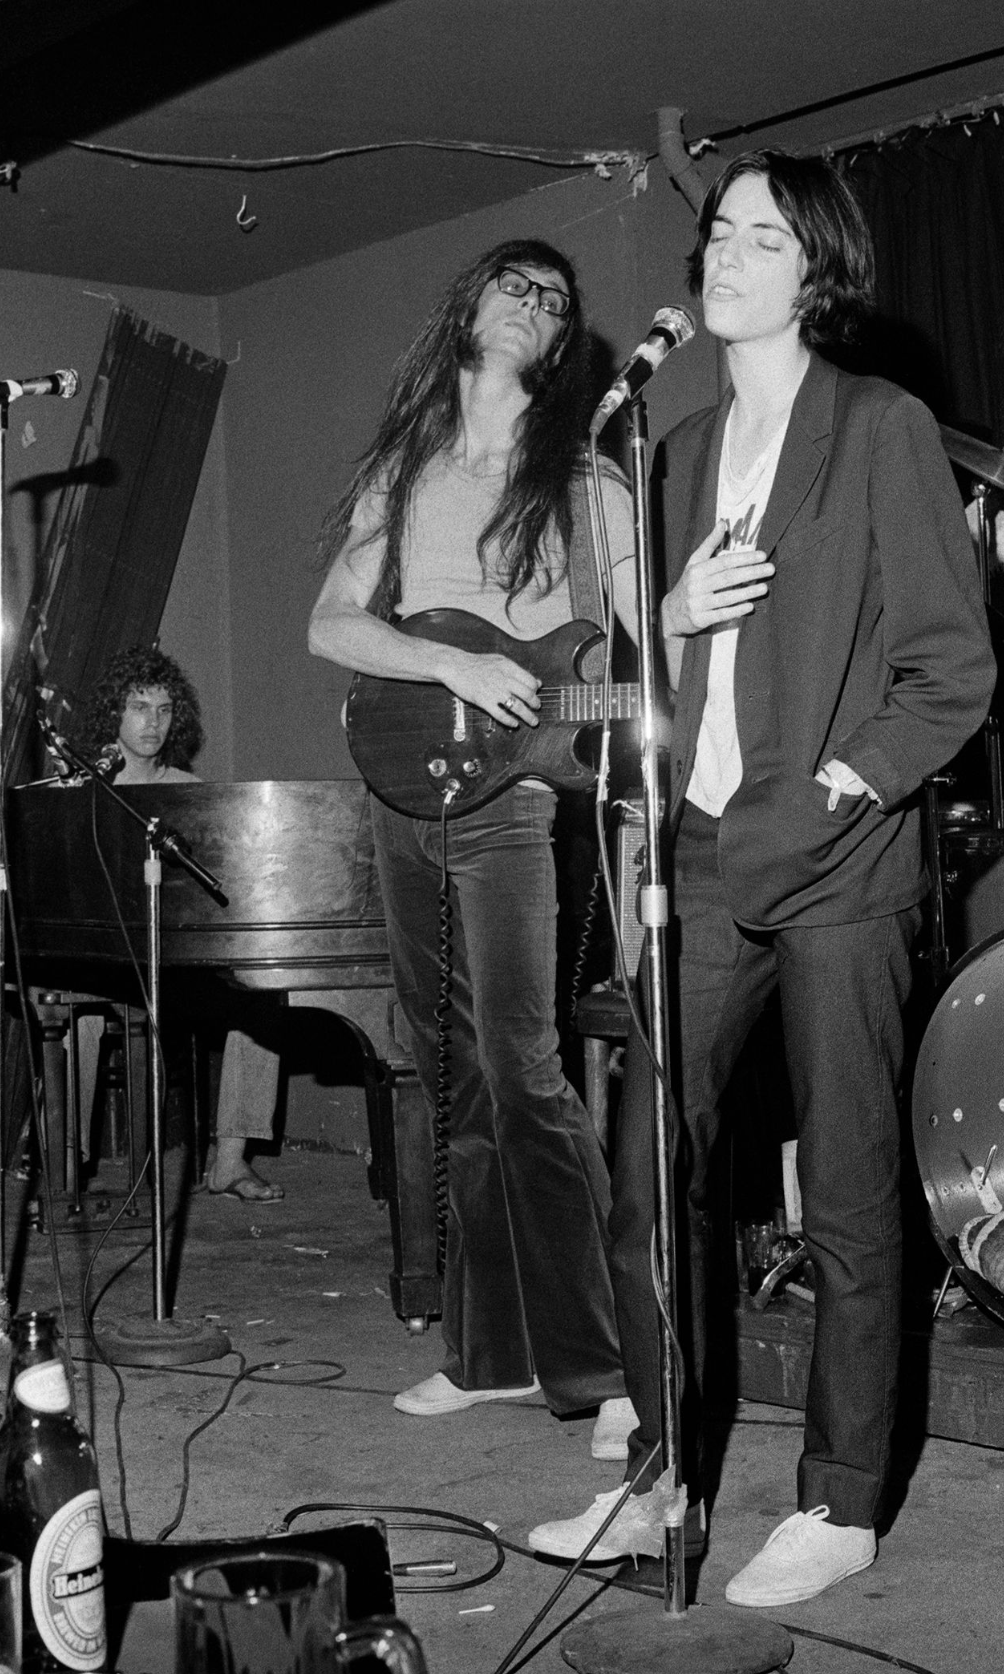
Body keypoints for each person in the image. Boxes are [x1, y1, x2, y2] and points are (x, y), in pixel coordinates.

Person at [528, 151, 996, 1602]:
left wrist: (844, 783)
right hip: (706, 856)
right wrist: (661, 615)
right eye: (715, 231)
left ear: (818, 270)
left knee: (850, 1188)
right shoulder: (666, 452)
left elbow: (951, 671)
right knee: (645, 1174)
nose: (724, 254)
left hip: (842, 854)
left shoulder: (880, 427)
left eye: (759, 236)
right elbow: (649, 674)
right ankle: (661, 1471)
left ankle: (844, 1495)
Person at [308, 239, 640, 1456]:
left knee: (524, 1071)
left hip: (514, 800)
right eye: (515, 280)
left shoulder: (587, 481)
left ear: (560, 347)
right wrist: (445, 654)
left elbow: (624, 647)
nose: (534, 301)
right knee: (448, 1077)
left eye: (555, 297)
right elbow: (332, 622)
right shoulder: (407, 469)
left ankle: (610, 1368)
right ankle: (491, 1353)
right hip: (406, 786)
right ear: (470, 308)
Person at [71, 645, 284, 1203]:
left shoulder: (189, 789)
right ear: (114, 714)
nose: (153, 723)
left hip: (181, 961)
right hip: (111, 960)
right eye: (139, 707)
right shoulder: (84, 788)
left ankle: (231, 1161)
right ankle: (63, 1159)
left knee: (262, 997)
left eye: (164, 710)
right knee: (75, 1012)